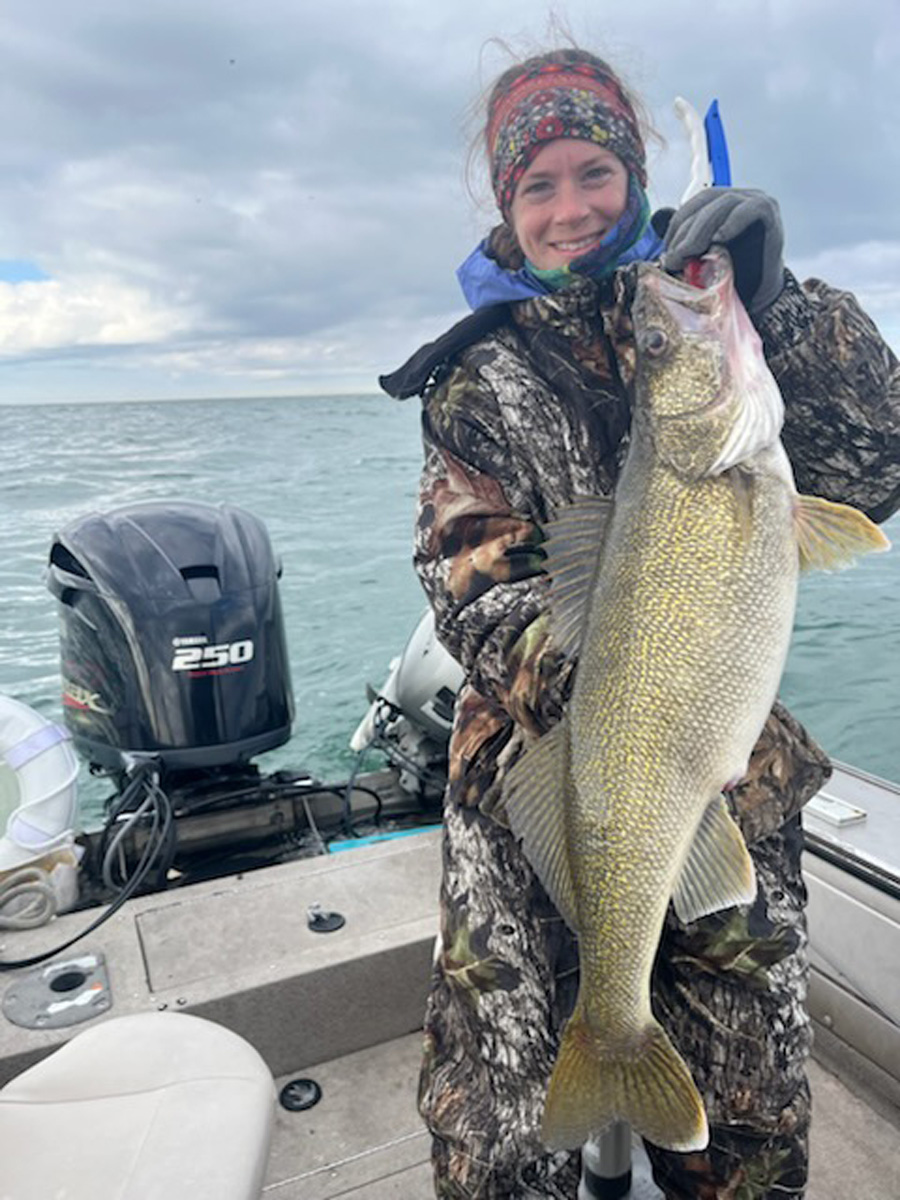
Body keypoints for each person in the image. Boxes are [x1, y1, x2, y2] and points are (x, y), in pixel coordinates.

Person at [380, 47, 900, 1199]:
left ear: (636, 175)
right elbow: (472, 583)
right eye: (539, 186)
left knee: (750, 1114)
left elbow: (870, 471)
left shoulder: (710, 311)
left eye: (595, 173)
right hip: (536, 758)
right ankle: (589, 1059)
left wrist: (786, 308)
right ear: (507, 205)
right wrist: (616, 704)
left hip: (720, 756)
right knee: (495, 1123)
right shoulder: (474, 383)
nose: (570, 208)